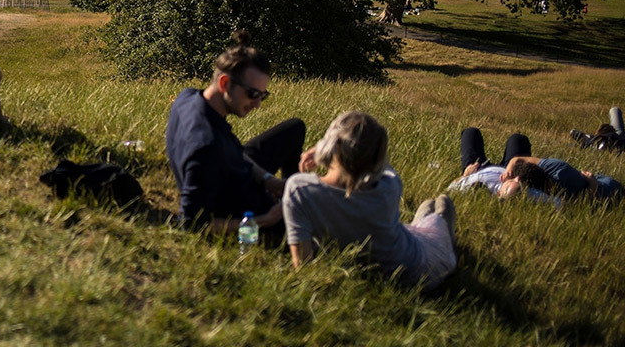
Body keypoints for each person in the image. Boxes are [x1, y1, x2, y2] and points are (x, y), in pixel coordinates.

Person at [284, 112, 457, 289]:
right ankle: (440, 217)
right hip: (416, 271)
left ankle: (429, 215)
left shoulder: (299, 190)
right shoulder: (388, 187)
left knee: (421, 220)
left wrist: (322, 151)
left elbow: (302, 265)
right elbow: (379, 163)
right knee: (437, 216)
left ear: (330, 146)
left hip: (372, 262)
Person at [165, 32, 305, 235]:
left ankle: (289, 195)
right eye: (253, 94)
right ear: (224, 83)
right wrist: (265, 220)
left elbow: (235, 153)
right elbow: (192, 224)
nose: (257, 105)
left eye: (263, 96)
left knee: (295, 128)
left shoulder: (188, 97)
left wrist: (269, 180)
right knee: (321, 226)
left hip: (235, 170)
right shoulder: (205, 148)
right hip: (245, 208)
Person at [447, 127, 559, 202]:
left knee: (471, 132)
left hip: (478, 168)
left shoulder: (476, 184)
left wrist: (465, 175)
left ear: (499, 193)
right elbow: (558, 203)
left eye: (511, 182)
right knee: (518, 139)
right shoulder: (528, 192)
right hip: (507, 168)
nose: (517, 179)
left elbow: (450, 189)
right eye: (518, 182)